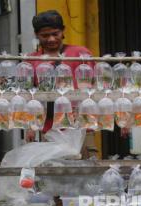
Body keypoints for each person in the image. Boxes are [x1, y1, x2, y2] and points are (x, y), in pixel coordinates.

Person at [27, 9, 95, 139]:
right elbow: (30, 96)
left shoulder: (80, 54)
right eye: (45, 35)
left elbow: (94, 86)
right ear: (36, 35)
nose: (51, 39)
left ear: (63, 31)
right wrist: (31, 126)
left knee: (85, 158)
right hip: (48, 129)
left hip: (80, 127)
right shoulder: (31, 60)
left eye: (55, 34)